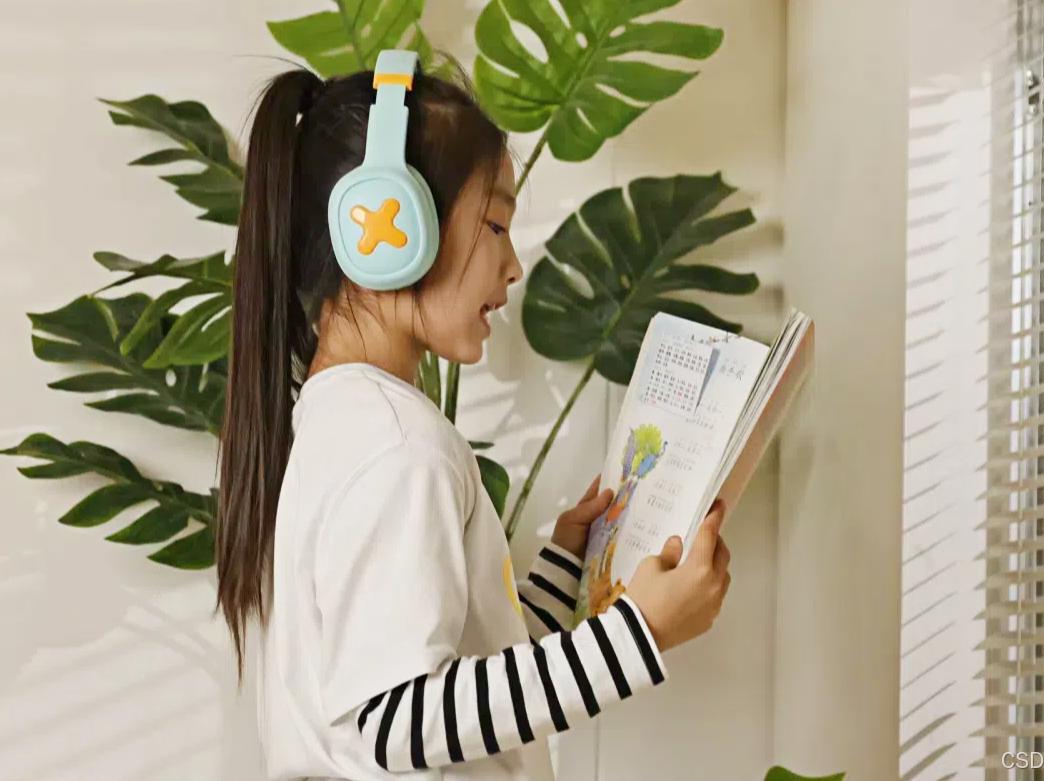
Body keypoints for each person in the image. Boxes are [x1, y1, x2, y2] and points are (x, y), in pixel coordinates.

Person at [213, 55, 732, 781]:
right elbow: (398, 722)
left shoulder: (343, 422)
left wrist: (563, 570)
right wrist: (637, 635)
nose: (513, 266)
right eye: (495, 224)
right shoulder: (397, 447)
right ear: (391, 228)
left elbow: (459, 678)